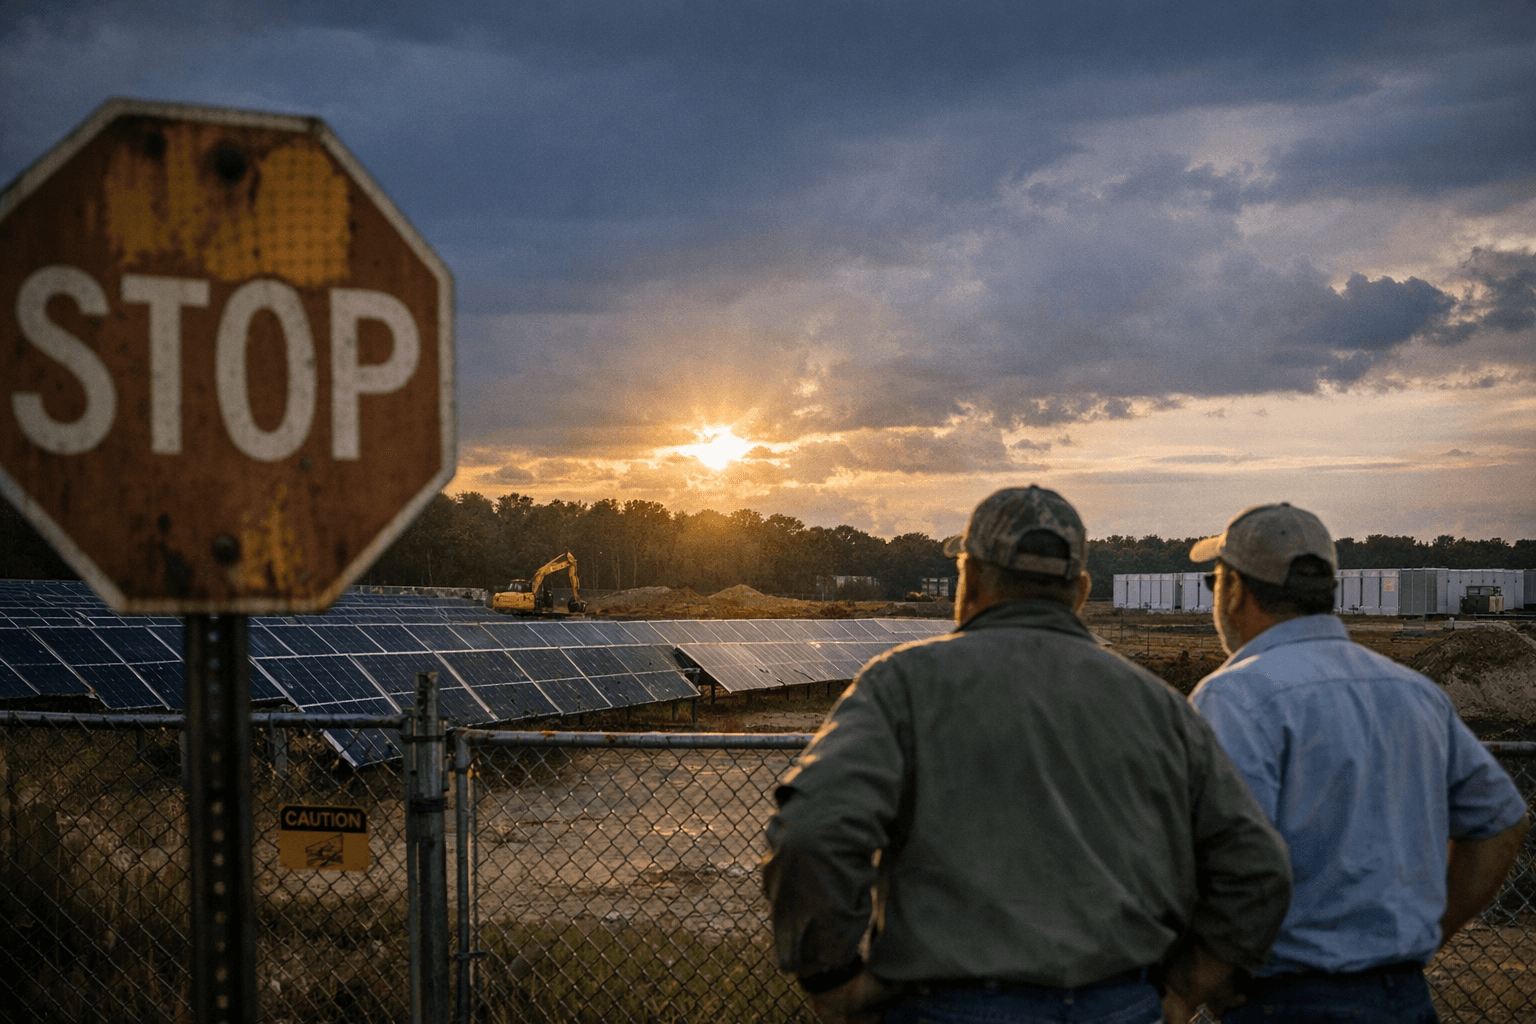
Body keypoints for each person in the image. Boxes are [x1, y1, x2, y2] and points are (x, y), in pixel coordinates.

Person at [763, 485, 1293, 1024]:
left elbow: (812, 830)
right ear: (1081, 590)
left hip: (946, 1007)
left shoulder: (902, 683)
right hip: (1119, 1005)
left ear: (969, 577)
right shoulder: (1158, 705)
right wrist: (1184, 988)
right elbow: (1258, 867)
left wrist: (831, 977)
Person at [1188, 503, 1531, 1023]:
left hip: (1285, 1001)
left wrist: (1194, 982)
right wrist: (1423, 937)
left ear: (1233, 589)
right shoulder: (1414, 693)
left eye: (1214, 582)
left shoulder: (1234, 697)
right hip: (1403, 998)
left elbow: (1228, 865)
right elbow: (1502, 824)